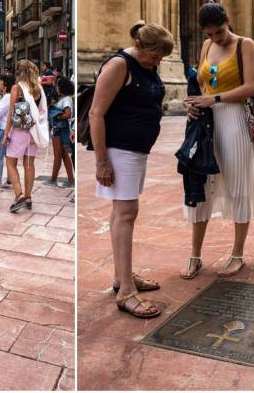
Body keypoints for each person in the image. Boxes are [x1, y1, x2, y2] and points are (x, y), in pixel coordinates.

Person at [182, 0, 254, 279]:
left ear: (227, 20)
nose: (215, 38)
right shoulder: (206, 46)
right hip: (206, 122)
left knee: (238, 185)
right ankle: (195, 256)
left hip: (235, 120)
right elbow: (201, 84)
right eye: (210, 34)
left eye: (219, 32)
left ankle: (237, 254)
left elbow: (250, 87)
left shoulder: (244, 44)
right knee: (199, 184)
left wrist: (213, 98)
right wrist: (195, 104)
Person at [89, 20, 173, 318]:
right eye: (154, 57)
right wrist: (101, 162)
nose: (157, 62)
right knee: (125, 214)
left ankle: (121, 276)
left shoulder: (145, 65)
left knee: (123, 213)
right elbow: (96, 114)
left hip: (135, 150)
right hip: (119, 150)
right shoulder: (118, 65)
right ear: (139, 46)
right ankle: (126, 291)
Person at [3, 60, 48, 212]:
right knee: (29, 164)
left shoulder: (17, 88)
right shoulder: (38, 89)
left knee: (10, 163)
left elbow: (11, 112)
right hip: (33, 131)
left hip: (19, 131)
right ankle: (28, 197)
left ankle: (19, 195)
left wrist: (5, 133)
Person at [43, 77, 75, 188]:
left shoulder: (66, 99)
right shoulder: (66, 99)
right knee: (64, 155)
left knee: (58, 155)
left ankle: (53, 179)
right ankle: (71, 180)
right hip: (61, 130)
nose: (56, 88)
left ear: (61, 87)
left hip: (59, 130)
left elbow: (68, 114)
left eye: (57, 86)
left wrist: (56, 116)